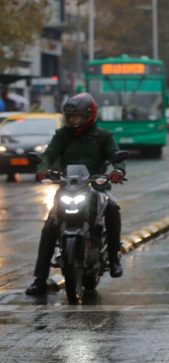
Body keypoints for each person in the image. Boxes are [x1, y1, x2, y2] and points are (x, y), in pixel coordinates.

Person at [26, 93, 126, 295]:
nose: (72, 121)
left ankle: (114, 259)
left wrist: (118, 171)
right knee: (49, 227)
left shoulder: (104, 136)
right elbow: (48, 156)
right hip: (67, 187)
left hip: (96, 188)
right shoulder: (62, 135)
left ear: (89, 115)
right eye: (69, 117)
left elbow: (117, 157)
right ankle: (39, 279)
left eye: (76, 117)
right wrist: (42, 169)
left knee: (113, 208)